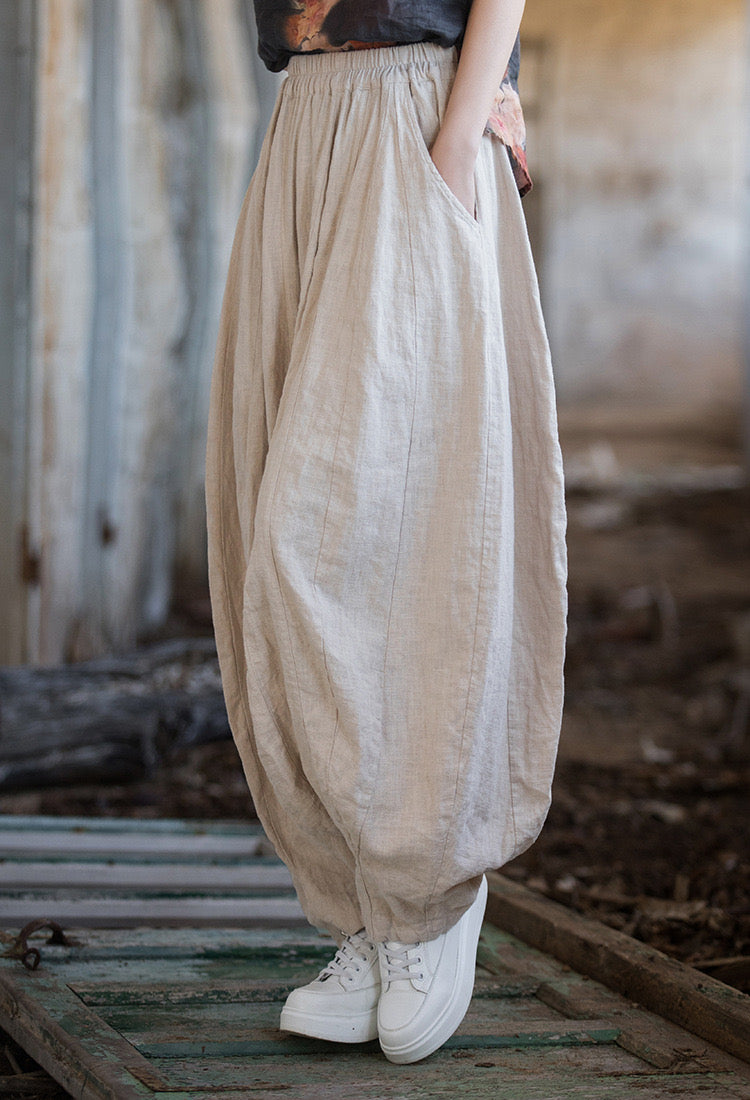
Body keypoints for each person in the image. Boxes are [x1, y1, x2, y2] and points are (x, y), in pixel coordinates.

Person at [204, 0, 568, 1065]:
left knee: (395, 521)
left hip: (417, 110)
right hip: (306, 119)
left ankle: (427, 896)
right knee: (266, 518)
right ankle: (360, 907)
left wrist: (454, 142)